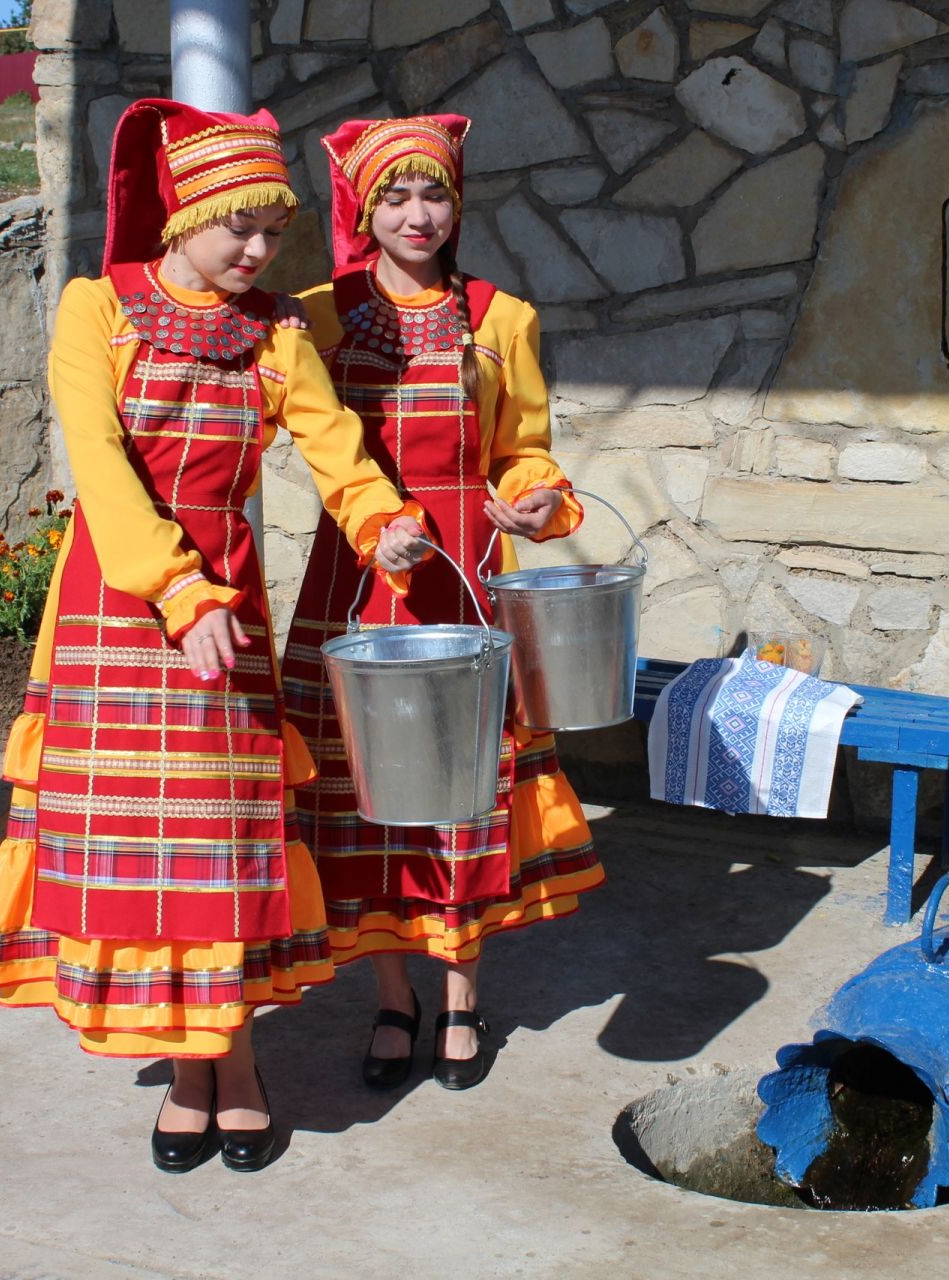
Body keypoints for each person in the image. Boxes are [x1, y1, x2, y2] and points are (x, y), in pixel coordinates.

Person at [0, 99, 428, 1174]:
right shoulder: (98, 310)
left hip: (229, 618)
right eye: (242, 228)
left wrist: (385, 525)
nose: (262, 251)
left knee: (223, 851)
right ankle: (192, 1073)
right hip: (119, 613)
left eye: (276, 233)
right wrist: (176, 591)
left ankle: (234, 1062)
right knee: (146, 862)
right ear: (185, 211)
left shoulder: (273, 330)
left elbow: (338, 449)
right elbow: (99, 461)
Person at [280, 114, 605, 1092]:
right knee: (367, 807)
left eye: (433, 195)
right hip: (357, 587)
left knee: (464, 800)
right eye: (395, 196)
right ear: (364, 208)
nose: (417, 215)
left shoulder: (501, 318)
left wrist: (540, 495)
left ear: (456, 205)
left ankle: (462, 995)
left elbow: (526, 450)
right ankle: (392, 994)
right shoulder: (313, 318)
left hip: (463, 581)